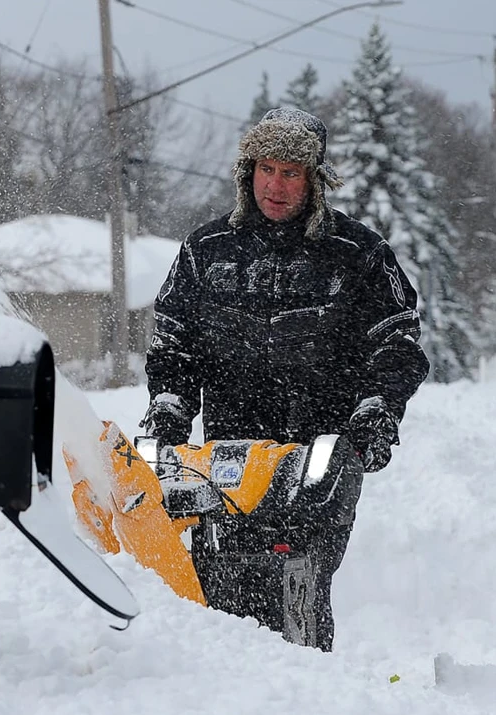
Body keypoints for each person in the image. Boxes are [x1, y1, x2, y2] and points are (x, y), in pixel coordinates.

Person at [142, 107, 429, 651]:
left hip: (319, 452)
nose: (276, 185)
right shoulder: (206, 252)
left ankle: (306, 685)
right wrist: (170, 404)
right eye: (266, 169)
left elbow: (397, 345)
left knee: (298, 576)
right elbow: (174, 341)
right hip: (229, 455)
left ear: (314, 180)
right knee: (217, 576)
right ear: (247, 173)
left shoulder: (360, 255)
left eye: (291, 172)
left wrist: (377, 410)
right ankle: (226, 687)